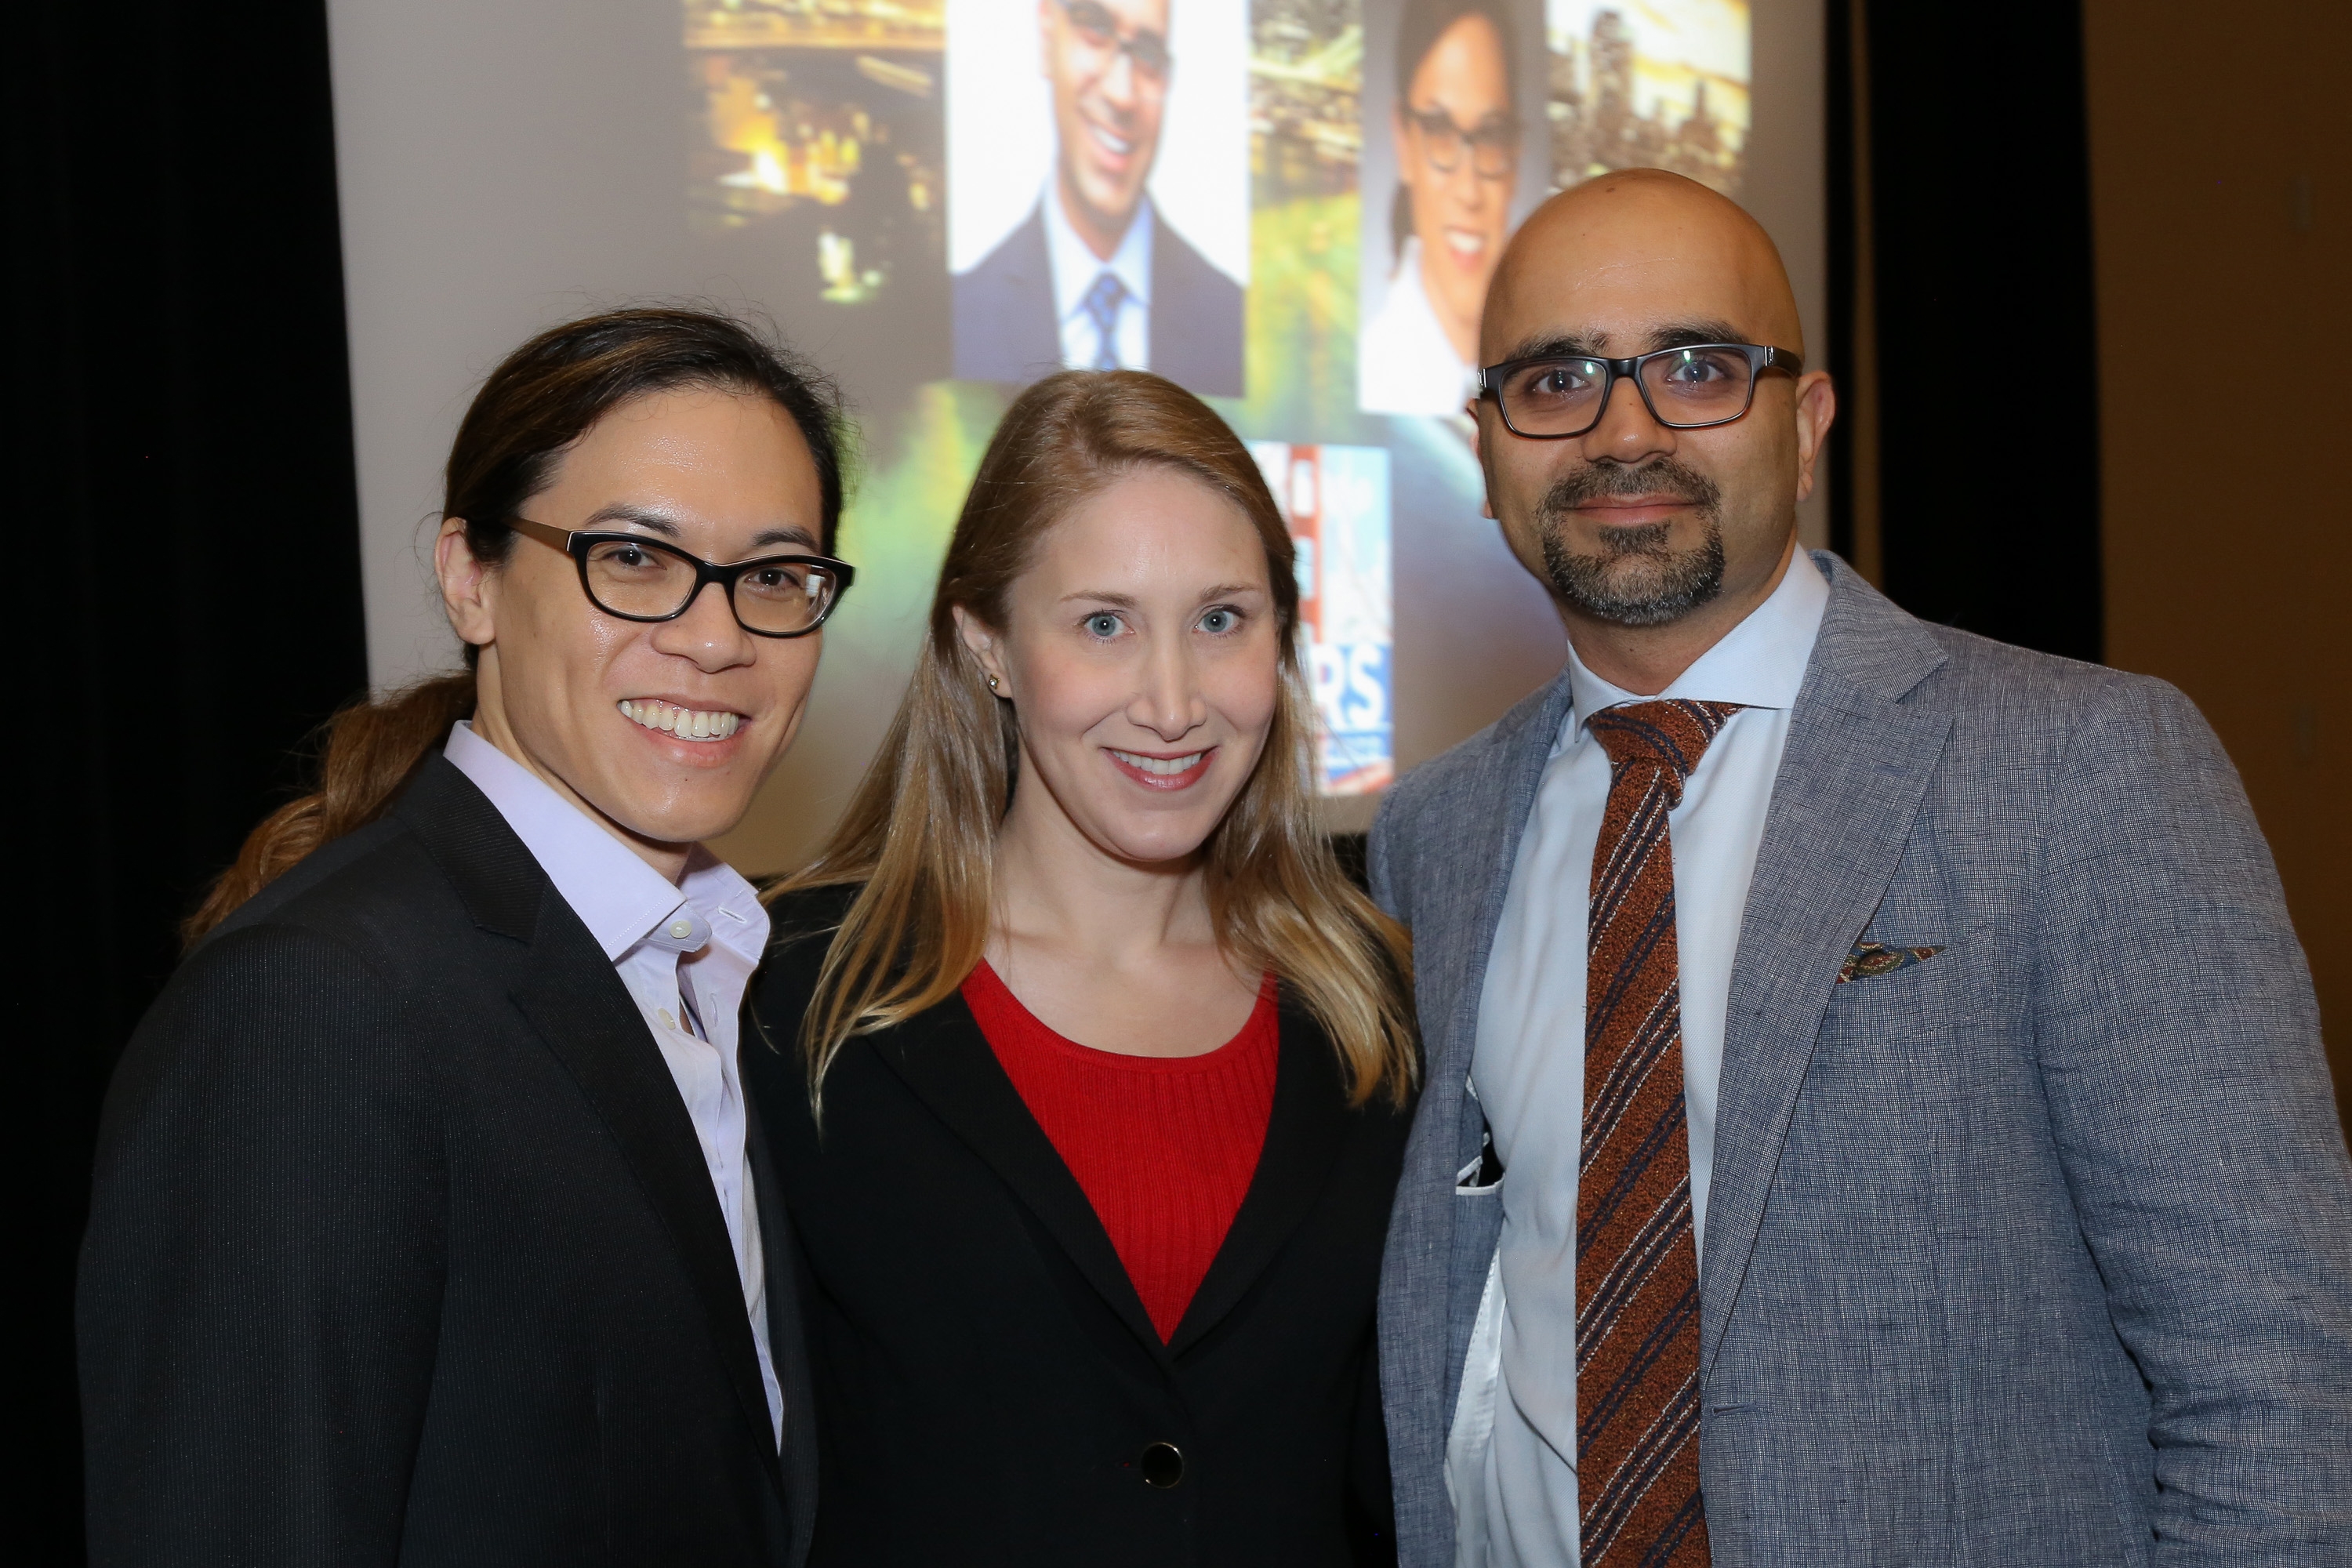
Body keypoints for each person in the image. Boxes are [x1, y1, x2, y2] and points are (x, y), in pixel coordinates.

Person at [1372, 169, 2352, 1566]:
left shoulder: (2078, 766)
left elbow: (2276, 1379)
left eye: (1697, 368)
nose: (1624, 431)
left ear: (1807, 424)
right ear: (1486, 449)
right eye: (1556, 380)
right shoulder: (1436, 833)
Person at [78, 308, 855, 1566]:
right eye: (633, 558)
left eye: (772, 577)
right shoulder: (318, 1006)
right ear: (470, 578)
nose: (717, 639)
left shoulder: (722, 971)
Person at [747, 369, 1412, 1564]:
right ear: (988, 645)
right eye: (1104, 623)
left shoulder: (1373, 1000)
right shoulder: (797, 995)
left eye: (1222, 620)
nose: (1173, 703)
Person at [952, 0, 1244, 393]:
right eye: (1096, 28)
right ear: (1046, 35)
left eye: (1148, 54)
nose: (1122, 95)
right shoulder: (965, 313)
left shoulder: (1228, 322)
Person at [1359, 0, 1520, 418]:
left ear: (1516, 154)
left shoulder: (1553, 375)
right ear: (1403, 141)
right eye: (1440, 133)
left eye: (1491, 137)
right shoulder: (1371, 371)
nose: (1468, 191)